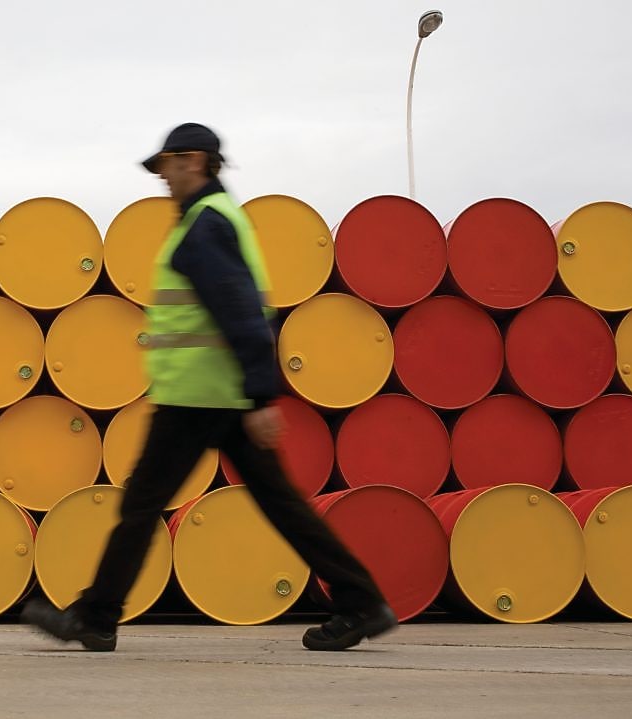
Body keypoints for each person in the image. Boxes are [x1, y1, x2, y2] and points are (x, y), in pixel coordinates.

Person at [21, 122, 396, 652]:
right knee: (274, 505)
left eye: (168, 166)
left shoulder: (205, 226)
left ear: (193, 161)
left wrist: (262, 397)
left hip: (200, 400)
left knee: (143, 506)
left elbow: (241, 312)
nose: (163, 179)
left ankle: (97, 615)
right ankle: (362, 603)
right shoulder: (215, 219)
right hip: (213, 396)